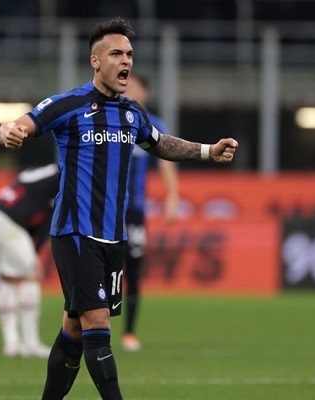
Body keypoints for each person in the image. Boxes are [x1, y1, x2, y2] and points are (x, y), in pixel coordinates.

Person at [0, 17, 238, 400]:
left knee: (75, 329)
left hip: (113, 237)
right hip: (76, 232)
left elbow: (160, 143)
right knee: (97, 324)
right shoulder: (69, 105)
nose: (126, 61)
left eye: (129, 54)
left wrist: (208, 151)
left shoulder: (132, 113)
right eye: (116, 54)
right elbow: (21, 124)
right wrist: (7, 131)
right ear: (95, 61)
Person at [0, 163, 59, 358]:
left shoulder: (35, 173)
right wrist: (35, 253)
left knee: (9, 279)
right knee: (30, 275)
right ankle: (31, 343)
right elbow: (49, 219)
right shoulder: (63, 178)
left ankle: (11, 343)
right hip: (5, 221)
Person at [121, 73, 179, 352]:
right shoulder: (109, 118)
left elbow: (167, 162)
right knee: (101, 267)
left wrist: (172, 197)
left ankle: (129, 332)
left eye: (133, 86)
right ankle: (92, 327)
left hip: (134, 209)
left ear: (144, 93)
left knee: (133, 267)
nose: (127, 90)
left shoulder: (152, 125)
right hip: (104, 207)